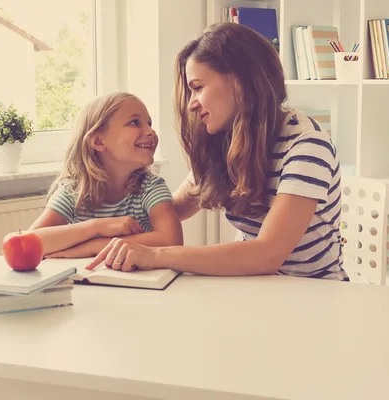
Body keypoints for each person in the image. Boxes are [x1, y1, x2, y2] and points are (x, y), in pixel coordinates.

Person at [87, 23, 348, 281]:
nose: (191, 104)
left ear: (241, 83)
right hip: (256, 289)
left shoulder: (307, 146)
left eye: (198, 87)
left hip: (313, 295)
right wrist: (91, 230)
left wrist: (155, 254)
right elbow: (171, 211)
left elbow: (267, 254)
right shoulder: (227, 141)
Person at [27, 92, 184, 258]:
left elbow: (171, 240)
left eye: (149, 123)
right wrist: (97, 226)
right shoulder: (73, 192)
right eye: (134, 122)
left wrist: (93, 246)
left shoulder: (151, 187)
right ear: (98, 142)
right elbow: (29, 243)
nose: (151, 131)